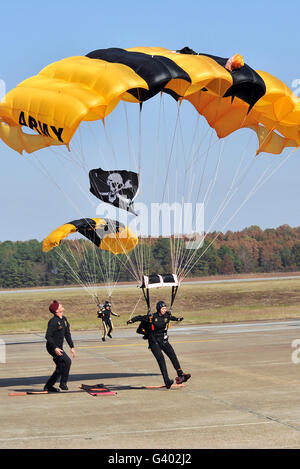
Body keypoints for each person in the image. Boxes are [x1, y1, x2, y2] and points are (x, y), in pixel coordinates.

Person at [127, 301, 191, 389]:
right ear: (159, 309)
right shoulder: (152, 317)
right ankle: (167, 381)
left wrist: (178, 319)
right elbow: (140, 317)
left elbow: (171, 318)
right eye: (163, 309)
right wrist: (131, 320)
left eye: (165, 308)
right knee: (162, 361)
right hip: (154, 342)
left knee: (173, 356)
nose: (165, 310)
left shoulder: (166, 316)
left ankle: (180, 375)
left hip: (163, 340)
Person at [44, 300, 76, 392]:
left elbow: (67, 334)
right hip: (52, 347)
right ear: (57, 310)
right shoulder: (53, 321)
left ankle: (49, 386)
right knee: (67, 361)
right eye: (60, 305)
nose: (62, 305)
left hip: (59, 347)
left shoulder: (64, 319)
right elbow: (48, 336)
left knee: (60, 367)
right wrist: (55, 348)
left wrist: (72, 347)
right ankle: (63, 383)